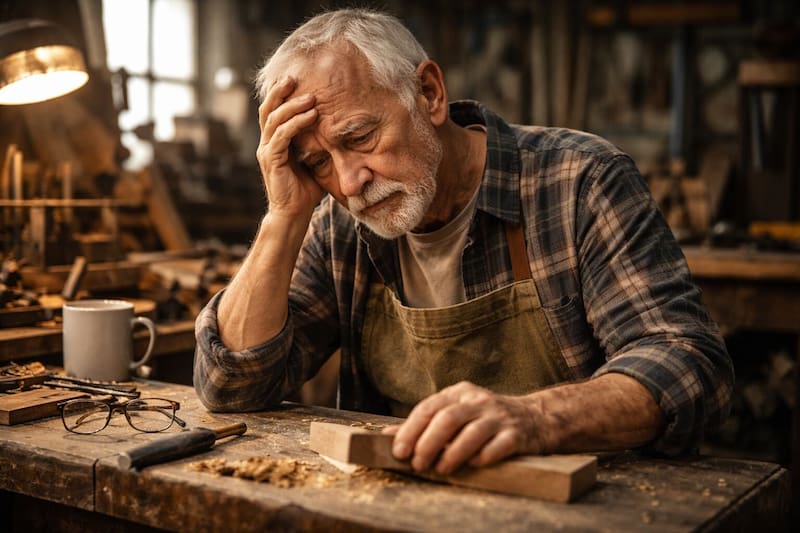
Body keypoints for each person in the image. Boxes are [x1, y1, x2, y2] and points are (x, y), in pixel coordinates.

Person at [194, 8, 732, 476]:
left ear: (429, 93)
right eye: (318, 162)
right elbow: (232, 388)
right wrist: (285, 216)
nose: (350, 181)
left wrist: (536, 418)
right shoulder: (339, 223)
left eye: (359, 137)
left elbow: (686, 362)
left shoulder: (578, 180)